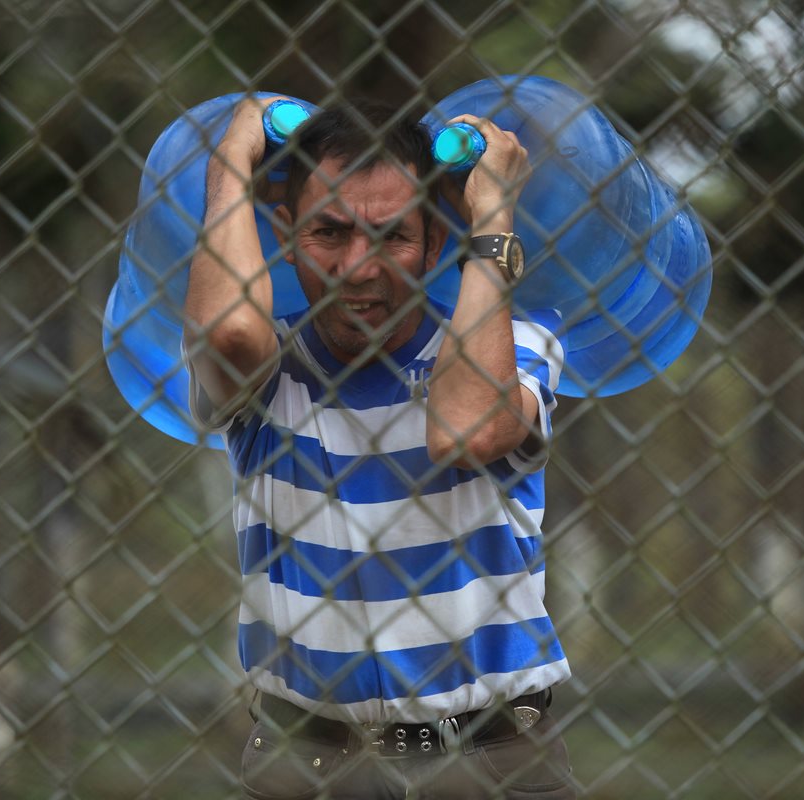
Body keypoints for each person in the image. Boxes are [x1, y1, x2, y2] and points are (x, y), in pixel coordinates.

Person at [183, 94, 574, 798]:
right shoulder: (270, 366)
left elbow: (466, 428)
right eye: (328, 233)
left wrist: (488, 219)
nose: (359, 269)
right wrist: (229, 166)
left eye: (393, 236)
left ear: (434, 241)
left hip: (495, 757)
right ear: (283, 232)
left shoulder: (518, 342)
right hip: (306, 760)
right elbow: (232, 338)